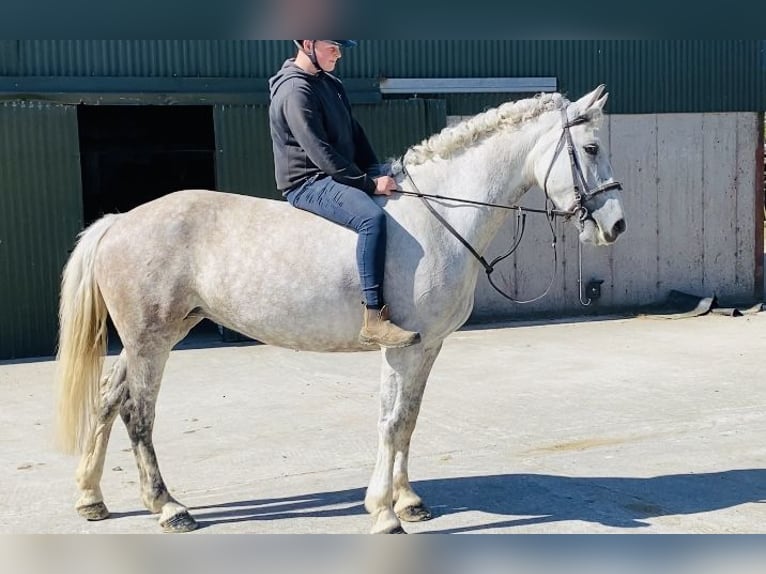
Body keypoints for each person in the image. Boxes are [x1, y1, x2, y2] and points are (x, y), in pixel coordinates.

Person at [268, 40, 421, 349]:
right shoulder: (295, 91)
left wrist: (376, 168)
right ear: (308, 44)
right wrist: (368, 184)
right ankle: (374, 318)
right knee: (371, 219)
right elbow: (319, 151)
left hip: (336, 173)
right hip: (308, 181)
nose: (339, 54)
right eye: (333, 47)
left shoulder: (330, 83)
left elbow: (354, 132)